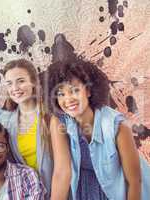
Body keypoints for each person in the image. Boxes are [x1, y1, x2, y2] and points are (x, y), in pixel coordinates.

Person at [44, 58, 150, 200]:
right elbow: (62, 173)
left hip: (121, 190)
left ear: (88, 90)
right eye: (61, 94)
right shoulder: (58, 122)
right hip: (85, 188)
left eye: (74, 90)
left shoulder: (117, 125)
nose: (68, 99)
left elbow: (134, 182)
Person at [0, 59, 71, 199]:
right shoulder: (5, 121)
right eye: (9, 83)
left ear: (33, 82)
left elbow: (63, 171)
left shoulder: (51, 115)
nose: (15, 88)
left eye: (20, 81)